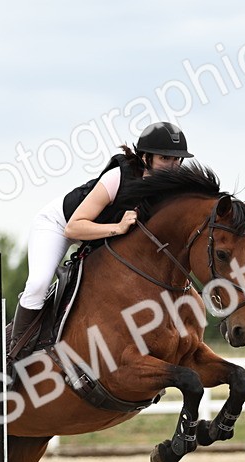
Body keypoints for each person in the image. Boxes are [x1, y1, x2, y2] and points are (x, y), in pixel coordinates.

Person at [10, 121, 194, 356]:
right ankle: (14, 354)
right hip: (59, 225)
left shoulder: (170, 192)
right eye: (164, 158)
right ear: (145, 157)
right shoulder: (117, 178)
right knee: (38, 284)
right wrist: (117, 228)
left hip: (98, 236)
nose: (173, 166)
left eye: (177, 160)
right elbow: (73, 228)